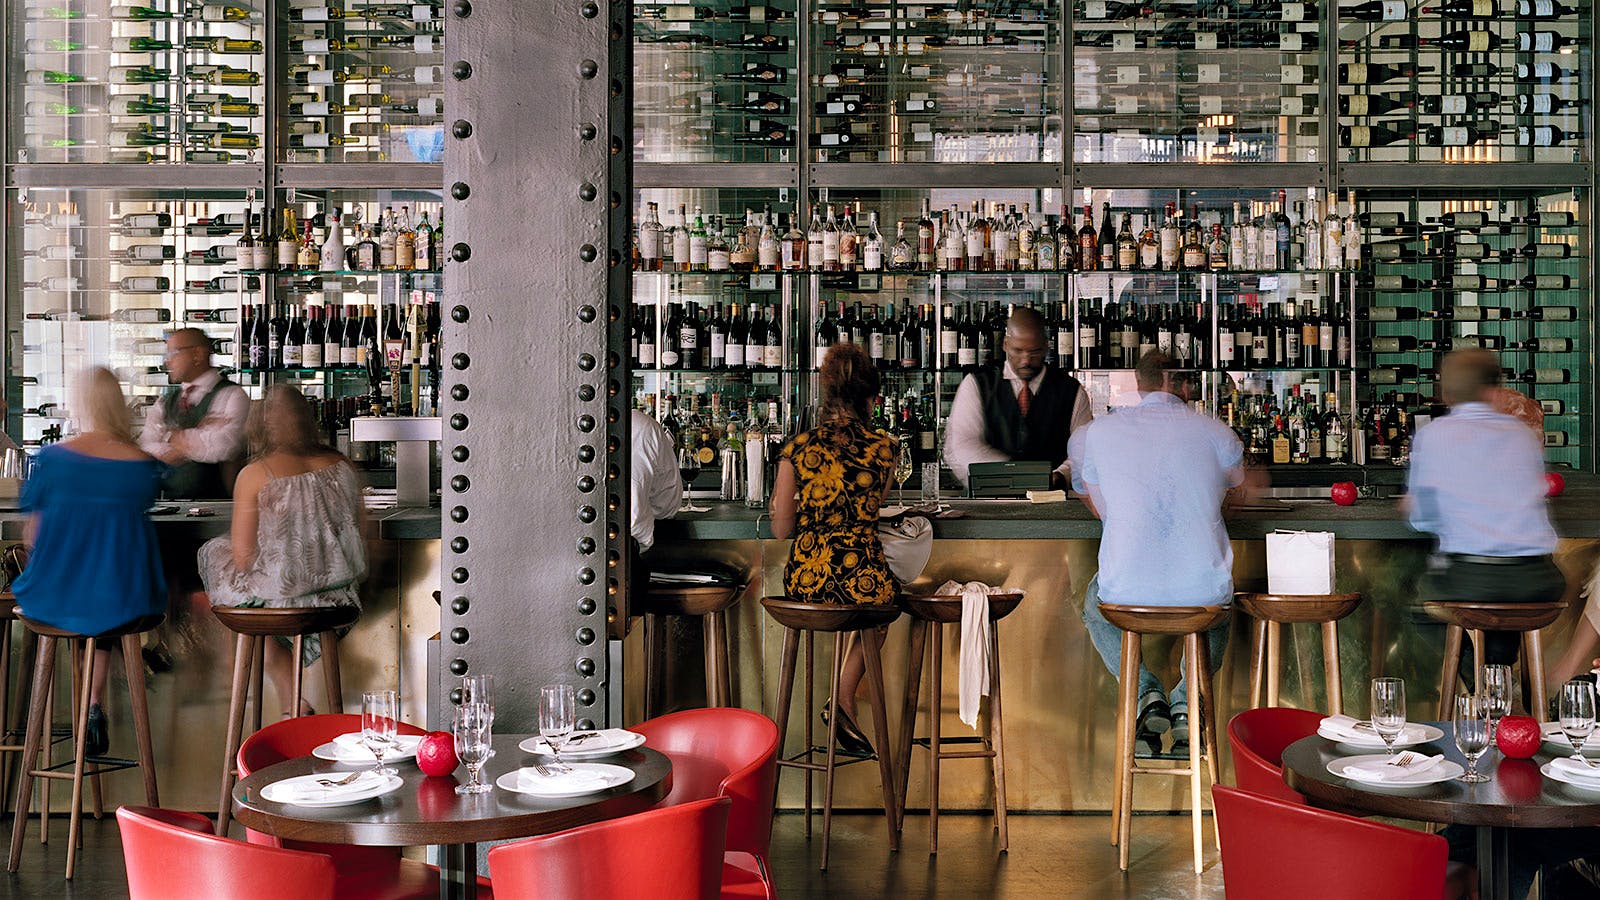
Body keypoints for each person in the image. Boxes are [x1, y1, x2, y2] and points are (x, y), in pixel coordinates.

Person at [1070, 351, 1244, 756]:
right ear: (1179, 384)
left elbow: (1095, 501)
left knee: (1096, 606)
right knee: (1219, 609)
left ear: (1138, 383)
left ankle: (1146, 694)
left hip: (1124, 595)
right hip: (1201, 594)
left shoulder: (1097, 434)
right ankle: (1187, 700)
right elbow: (1239, 487)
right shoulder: (1215, 431)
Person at [12, 367, 166, 756]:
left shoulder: (50, 459)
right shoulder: (141, 464)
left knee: (82, 596)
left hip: (54, 595)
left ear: (78, 404)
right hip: (126, 598)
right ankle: (93, 703)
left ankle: (79, 707)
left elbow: (32, 535)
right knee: (107, 596)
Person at [199, 385, 367, 718]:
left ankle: (291, 702)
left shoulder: (255, 474)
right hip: (341, 600)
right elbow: (363, 532)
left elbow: (245, 557)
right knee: (263, 622)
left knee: (222, 566)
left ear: (258, 426)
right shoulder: (343, 464)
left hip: (283, 598)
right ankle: (295, 705)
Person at [1407, 349, 1564, 692]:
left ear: (1446, 395)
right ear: (1495, 391)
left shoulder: (1434, 435)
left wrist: (1416, 506)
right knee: (1502, 614)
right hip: (1539, 579)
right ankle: (1499, 682)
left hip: (1472, 578)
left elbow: (1424, 519)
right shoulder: (1523, 435)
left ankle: (1481, 684)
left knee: (1417, 603)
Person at [771, 342, 896, 755]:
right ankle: (842, 697)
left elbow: (780, 529)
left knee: (873, 605)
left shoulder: (797, 448)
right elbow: (873, 508)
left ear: (823, 393)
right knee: (881, 615)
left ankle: (839, 703)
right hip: (864, 581)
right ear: (873, 399)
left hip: (808, 580)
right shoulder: (885, 449)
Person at [945, 306, 1093, 491]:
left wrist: (1061, 475)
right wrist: (1012, 475)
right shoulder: (976, 384)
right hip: (990, 501)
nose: (1026, 360)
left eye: (1034, 352)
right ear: (1005, 344)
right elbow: (962, 445)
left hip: (1053, 503)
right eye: (1018, 350)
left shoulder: (1072, 391)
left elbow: (1086, 450)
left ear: (1047, 346)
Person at [138, 327, 248, 500]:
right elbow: (146, 445)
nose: (167, 362)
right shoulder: (165, 401)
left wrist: (169, 436)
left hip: (216, 511)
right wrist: (198, 437)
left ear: (197, 354)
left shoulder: (233, 395)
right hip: (168, 509)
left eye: (173, 353)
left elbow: (225, 445)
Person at [629, 407, 681, 598]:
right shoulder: (644, 425)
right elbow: (667, 505)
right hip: (625, 559)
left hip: (552, 559)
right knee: (629, 627)